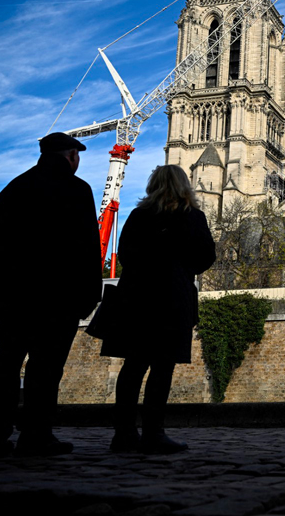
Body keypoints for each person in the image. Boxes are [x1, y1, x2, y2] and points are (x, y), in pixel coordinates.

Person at [0, 132, 102, 457]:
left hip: (16, 298)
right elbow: (89, 248)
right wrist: (91, 293)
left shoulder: (12, 190)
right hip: (58, 299)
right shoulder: (77, 190)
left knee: (6, 363)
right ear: (72, 155)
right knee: (45, 369)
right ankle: (36, 433)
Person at [101, 165, 215, 454]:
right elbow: (206, 258)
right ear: (184, 186)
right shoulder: (192, 217)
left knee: (133, 366)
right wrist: (180, 268)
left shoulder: (139, 215)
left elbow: (124, 254)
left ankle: (124, 434)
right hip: (172, 298)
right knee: (162, 368)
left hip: (137, 297)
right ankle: (154, 433)